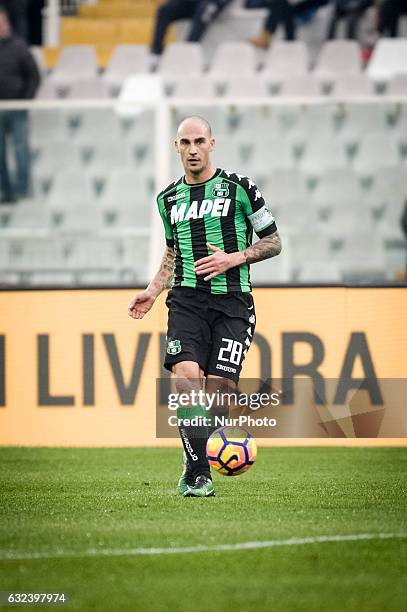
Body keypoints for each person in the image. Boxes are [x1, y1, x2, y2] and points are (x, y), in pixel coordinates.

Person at [128, 116, 281, 497]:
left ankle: (201, 453)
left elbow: (275, 241)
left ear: (212, 144)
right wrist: (152, 290)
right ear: (175, 147)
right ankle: (199, 474)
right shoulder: (167, 199)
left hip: (233, 303)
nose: (193, 149)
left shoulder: (240, 188)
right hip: (186, 301)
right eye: (185, 142)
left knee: (218, 392)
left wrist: (235, 257)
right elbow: (172, 252)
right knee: (185, 378)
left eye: (199, 141)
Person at [0, 7, 40, 204]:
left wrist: (25, 100)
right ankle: (4, 191)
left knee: (20, 149)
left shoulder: (19, 47)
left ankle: (22, 190)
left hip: (17, 108)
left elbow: (33, 76)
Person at [151, 0, 232, 56]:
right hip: (191, 3)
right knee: (164, 10)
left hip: (212, 3)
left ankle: (188, 51)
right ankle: (156, 53)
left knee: (203, 11)